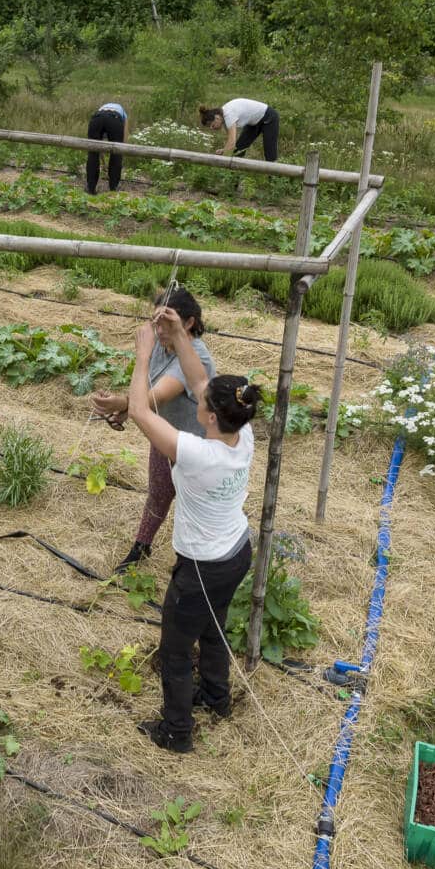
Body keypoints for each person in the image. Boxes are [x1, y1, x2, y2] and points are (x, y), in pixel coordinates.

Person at [125, 305, 259, 754]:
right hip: (237, 552)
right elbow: (199, 378)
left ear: (207, 416)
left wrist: (144, 353)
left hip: (203, 566)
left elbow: (140, 412)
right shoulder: (242, 436)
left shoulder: (199, 455)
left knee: (177, 651)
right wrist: (180, 332)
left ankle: (176, 732)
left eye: (200, 402)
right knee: (214, 626)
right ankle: (216, 697)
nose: (196, 398)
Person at [90, 286, 215, 575]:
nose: (158, 328)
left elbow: (156, 396)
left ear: (188, 323)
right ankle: (141, 546)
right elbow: (144, 396)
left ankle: (193, 563)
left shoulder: (197, 357)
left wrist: (125, 405)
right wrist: (124, 409)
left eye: (166, 321)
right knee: (158, 494)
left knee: (193, 506)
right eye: (154, 321)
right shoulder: (160, 347)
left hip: (194, 446)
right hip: (164, 436)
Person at [200, 98, 280, 163]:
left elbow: (232, 143)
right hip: (254, 122)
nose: (212, 128)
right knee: (238, 152)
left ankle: (274, 181)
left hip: (269, 117)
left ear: (217, 117)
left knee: (270, 155)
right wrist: (224, 150)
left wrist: (222, 160)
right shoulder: (224, 116)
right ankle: (234, 181)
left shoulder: (228, 115)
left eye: (212, 125)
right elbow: (230, 141)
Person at [86, 102, 129, 194]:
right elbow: (125, 138)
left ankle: (91, 188)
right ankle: (113, 188)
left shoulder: (101, 109)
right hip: (115, 118)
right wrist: (122, 153)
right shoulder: (123, 113)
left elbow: (99, 146)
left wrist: (103, 163)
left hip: (97, 118)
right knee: (116, 153)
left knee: (93, 152)